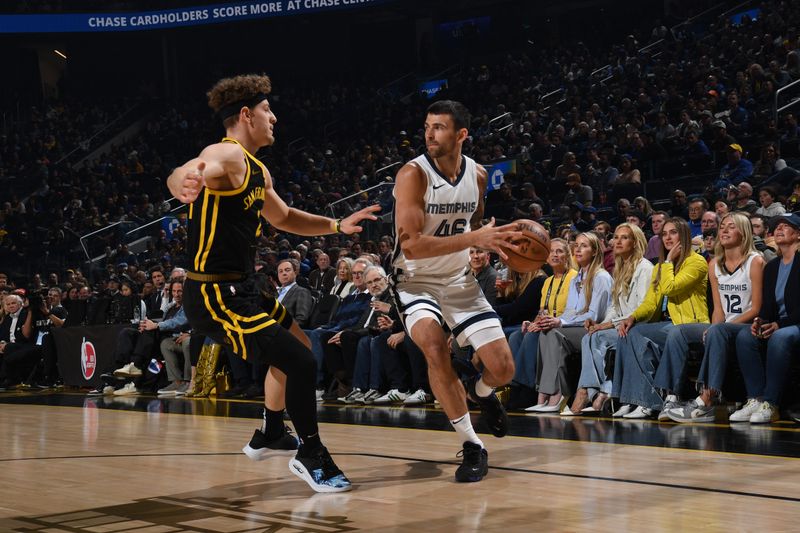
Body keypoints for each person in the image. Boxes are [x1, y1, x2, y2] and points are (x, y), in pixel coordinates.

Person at [167, 73, 378, 493]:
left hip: (246, 288)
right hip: (213, 294)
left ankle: (270, 430)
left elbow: (285, 217)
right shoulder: (225, 156)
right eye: (267, 110)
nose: (274, 117)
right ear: (246, 115)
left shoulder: (258, 171)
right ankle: (311, 454)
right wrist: (183, 181)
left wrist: (338, 223)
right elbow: (188, 169)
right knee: (302, 362)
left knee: (298, 347)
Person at [391, 100, 521, 482]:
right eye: (427, 126)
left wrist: (492, 237)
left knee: (503, 369)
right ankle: (471, 444)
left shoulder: (478, 175)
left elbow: (476, 221)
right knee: (433, 346)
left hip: (459, 280)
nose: (430, 134)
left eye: (440, 127)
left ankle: (481, 392)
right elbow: (411, 244)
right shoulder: (412, 174)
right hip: (414, 280)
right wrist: (474, 236)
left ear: (462, 134)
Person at [667, 212, 764, 423]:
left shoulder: (755, 262)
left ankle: (706, 399)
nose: (725, 231)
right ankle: (671, 397)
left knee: (718, 330)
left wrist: (719, 328)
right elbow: (718, 309)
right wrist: (714, 327)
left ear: (744, 232)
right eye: (723, 227)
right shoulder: (714, 264)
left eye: (731, 227)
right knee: (679, 331)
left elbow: (756, 308)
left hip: (748, 325)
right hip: (724, 327)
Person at [613, 217, 709, 419]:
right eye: (664, 234)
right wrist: (632, 317)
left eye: (673, 232)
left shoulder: (696, 262)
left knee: (653, 333)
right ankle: (637, 399)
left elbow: (669, 288)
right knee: (630, 332)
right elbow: (650, 302)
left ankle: (660, 399)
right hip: (669, 324)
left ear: (683, 235)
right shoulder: (660, 268)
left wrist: (666, 263)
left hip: (692, 324)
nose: (668, 237)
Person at [565, 224, 652, 415]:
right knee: (591, 335)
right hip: (620, 325)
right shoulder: (620, 268)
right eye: (617, 237)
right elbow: (614, 306)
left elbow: (643, 307)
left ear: (635, 242)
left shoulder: (645, 267)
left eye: (624, 237)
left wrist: (608, 324)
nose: (618, 241)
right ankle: (602, 392)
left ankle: (586, 392)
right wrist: (601, 324)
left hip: (637, 326)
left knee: (595, 337)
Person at [529, 232, 612, 413]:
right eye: (577, 245)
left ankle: (557, 395)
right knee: (547, 331)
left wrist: (561, 322)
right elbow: (570, 311)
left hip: (594, 330)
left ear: (595, 251)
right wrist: (556, 320)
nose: (578, 249)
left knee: (555, 332)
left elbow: (594, 315)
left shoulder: (601, 277)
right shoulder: (576, 278)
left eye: (584, 246)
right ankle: (543, 394)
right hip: (576, 328)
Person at [731, 214, 800, 424]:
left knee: (780, 337)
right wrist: (760, 321)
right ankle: (755, 398)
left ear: (798, 234)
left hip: (795, 324)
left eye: (786, 226)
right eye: (776, 227)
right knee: (745, 335)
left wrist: (779, 324)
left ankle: (771, 404)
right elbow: (768, 306)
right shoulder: (772, 267)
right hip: (780, 324)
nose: (778, 229)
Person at [506, 239, 576, 409]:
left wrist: (546, 323)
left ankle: (529, 389)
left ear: (567, 255)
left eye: (559, 251)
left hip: (564, 325)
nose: (555, 255)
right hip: (547, 323)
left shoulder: (574, 277)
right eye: (551, 251)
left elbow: (573, 311)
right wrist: (533, 322)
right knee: (516, 335)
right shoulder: (547, 282)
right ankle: (516, 385)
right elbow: (543, 310)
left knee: (530, 337)